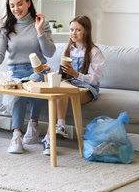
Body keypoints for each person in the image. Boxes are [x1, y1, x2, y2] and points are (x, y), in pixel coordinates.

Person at [0, 0, 56, 154]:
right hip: (15, 72)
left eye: (20, 4)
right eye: (12, 6)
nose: (16, 9)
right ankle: (17, 136)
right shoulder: (6, 28)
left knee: (34, 80)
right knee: (18, 88)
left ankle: (33, 124)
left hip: (38, 70)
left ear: (28, 3)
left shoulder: (41, 23)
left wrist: (40, 31)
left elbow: (49, 53)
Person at [42, 15, 105, 155]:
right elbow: (64, 74)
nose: (73, 33)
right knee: (60, 91)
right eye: (71, 29)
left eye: (78, 30)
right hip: (70, 85)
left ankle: (50, 137)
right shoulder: (69, 49)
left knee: (62, 89)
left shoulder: (94, 52)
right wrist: (50, 70)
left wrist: (76, 74)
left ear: (86, 31)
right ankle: (55, 132)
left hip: (87, 88)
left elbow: (94, 80)